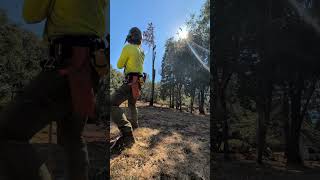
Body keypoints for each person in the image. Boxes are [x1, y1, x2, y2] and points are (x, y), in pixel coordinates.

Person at [0, 0, 107, 180]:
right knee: (71, 137)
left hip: (65, 65)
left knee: (6, 132)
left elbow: (31, 15)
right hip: (89, 70)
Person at [111, 27, 145, 153]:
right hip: (139, 82)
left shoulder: (127, 47)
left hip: (131, 81)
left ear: (130, 36)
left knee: (111, 103)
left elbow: (119, 65)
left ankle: (127, 134)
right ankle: (135, 126)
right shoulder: (141, 51)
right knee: (132, 104)